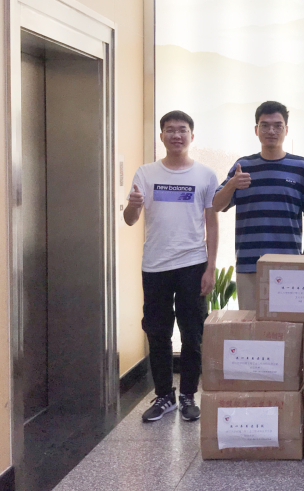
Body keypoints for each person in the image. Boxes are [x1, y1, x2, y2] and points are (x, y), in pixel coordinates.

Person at [124, 110, 218, 423]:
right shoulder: (146, 173)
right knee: (157, 332)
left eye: (182, 130)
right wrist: (132, 207)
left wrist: (211, 267)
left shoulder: (205, 175)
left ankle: (189, 394)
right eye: (170, 130)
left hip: (193, 264)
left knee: (193, 333)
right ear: (162, 135)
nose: (176, 135)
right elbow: (130, 219)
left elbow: (212, 223)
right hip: (155, 265)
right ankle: (165, 395)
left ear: (192, 135)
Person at [211, 101, 304, 310]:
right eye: (265, 125)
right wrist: (232, 184)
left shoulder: (301, 167)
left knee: (287, 323)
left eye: (277, 126)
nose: (271, 131)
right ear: (256, 130)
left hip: (288, 263)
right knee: (250, 324)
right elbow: (216, 205)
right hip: (250, 263)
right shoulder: (243, 166)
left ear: (286, 129)